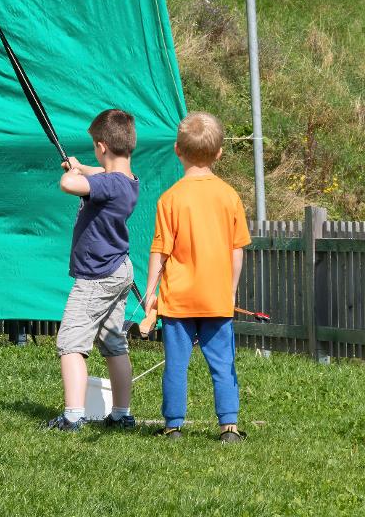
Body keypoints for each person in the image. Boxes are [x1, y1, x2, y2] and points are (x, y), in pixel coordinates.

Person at [144, 112, 250, 442]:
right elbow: (237, 251)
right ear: (219, 152)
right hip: (216, 297)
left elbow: (160, 252)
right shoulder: (229, 196)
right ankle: (229, 428)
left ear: (177, 149)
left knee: (175, 364)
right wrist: (230, 291)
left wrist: (150, 293)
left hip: (178, 299)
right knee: (222, 364)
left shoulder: (170, 198)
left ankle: (173, 426)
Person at [45, 109, 139, 432]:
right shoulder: (128, 181)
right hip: (119, 271)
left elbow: (68, 184)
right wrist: (84, 167)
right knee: (114, 343)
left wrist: (74, 173)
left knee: (71, 343)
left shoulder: (109, 184)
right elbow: (102, 172)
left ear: (101, 146)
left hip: (96, 277)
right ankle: (122, 414)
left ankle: (72, 416)